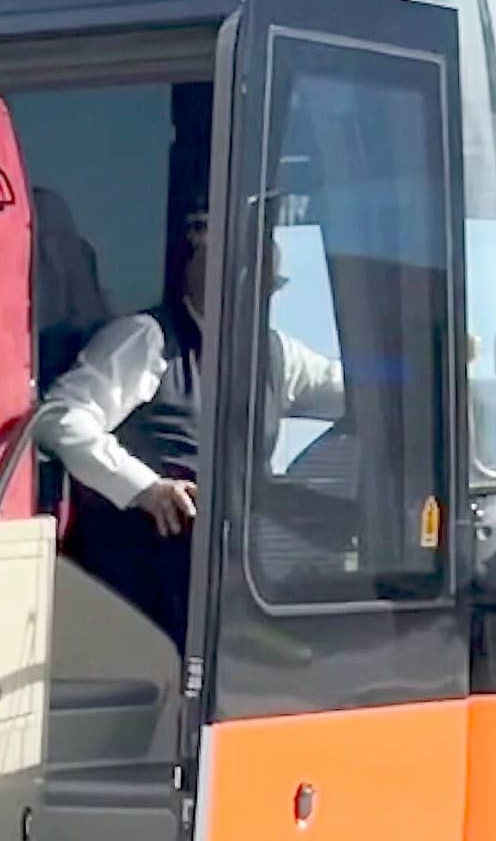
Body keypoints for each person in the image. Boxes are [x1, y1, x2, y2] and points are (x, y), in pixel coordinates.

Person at [31, 205, 346, 646]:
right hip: (141, 581)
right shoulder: (146, 337)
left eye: (261, 281)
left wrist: (439, 363)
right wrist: (146, 488)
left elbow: (353, 389)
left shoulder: (277, 355)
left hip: (235, 581)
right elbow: (60, 417)